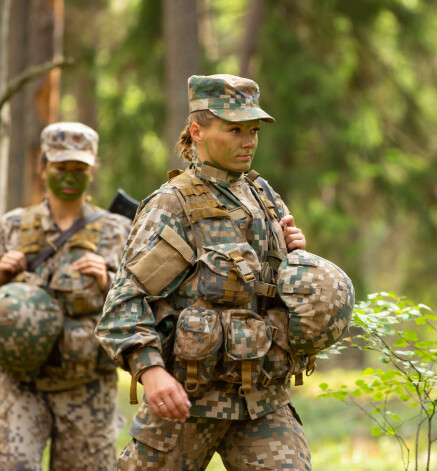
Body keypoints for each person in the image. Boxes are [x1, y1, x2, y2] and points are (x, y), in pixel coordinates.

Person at [96, 74, 354, 470]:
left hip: (261, 402)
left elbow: (272, 288)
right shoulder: (173, 205)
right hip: (188, 401)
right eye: (234, 129)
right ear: (197, 131)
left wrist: (295, 259)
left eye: (253, 130)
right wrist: (151, 373)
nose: (249, 141)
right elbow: (123, 304)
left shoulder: (262, 195)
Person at [0, 122, 132, 470]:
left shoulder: (119, 230)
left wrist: (108, 280)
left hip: (87, 384)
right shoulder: (12, 226)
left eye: (80, 169)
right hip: (20, 383)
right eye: (61, 168)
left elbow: (143, 303)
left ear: (93, 170)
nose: (70, 177)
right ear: (43, 167)